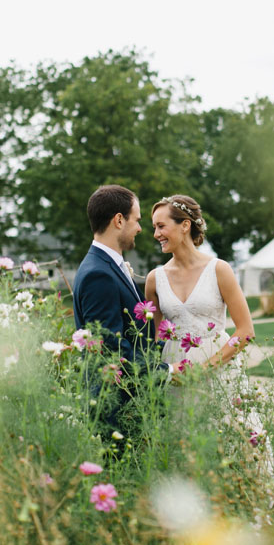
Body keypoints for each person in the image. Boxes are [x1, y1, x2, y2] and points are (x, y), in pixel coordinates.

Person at [145, 195, 274, 472]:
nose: (155, 234)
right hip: (176, 377)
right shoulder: (154, 279)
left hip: (220, 371)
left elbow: (245, 331)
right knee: (185, 447)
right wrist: (166, 373)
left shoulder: (219, 270)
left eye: (161, 226)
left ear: (185, 226)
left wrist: (204, 369)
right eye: (153, 228)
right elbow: (157, 337)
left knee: (236, 441)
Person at [72, 185, 171, 432]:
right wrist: (167, 371)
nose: (140, 228)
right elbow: (110, 349)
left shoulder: (106, 265)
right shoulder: (98, 274)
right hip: (117, 411)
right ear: (118, 220)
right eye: (136, 220)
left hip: (126, 405)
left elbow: (130, 333)